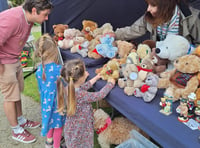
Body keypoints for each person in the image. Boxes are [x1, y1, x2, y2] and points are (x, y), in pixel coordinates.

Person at [0, 0, 53, 144]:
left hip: (14, 59)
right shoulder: (13, 18)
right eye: (45, 14)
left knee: (17, 92)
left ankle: (21, 120)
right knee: (10, 96)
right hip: (4, 62)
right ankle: (16, 130)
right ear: (34, 10)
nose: (47, 18)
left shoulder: (28, 20)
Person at [57, 59, 115, 148]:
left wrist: (95, 78)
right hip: (82, 130)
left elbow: (83, 87)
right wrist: (110, 84)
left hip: (73, 127)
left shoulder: (69, 88)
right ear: (80, 78)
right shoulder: (80, 94)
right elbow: (100, 95)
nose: (87, 73)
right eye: (85, 72)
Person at [115, 0, 200, 45]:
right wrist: (113, 34)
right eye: (148, 4)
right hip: (159, 58)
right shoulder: (150, 16)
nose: (148, 9)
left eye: (153, 5)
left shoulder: (190, 17)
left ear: (165, 6)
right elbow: (132, 30)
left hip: (182, 62)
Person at [34, 34, 66, 148]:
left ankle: (49, 143)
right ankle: (56, 146)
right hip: (57, 103)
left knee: (49, 122)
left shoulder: (39, 70)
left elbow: (40, 89)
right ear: (54, 52)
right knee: (58, 126)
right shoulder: (58, 69)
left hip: (46, 102)